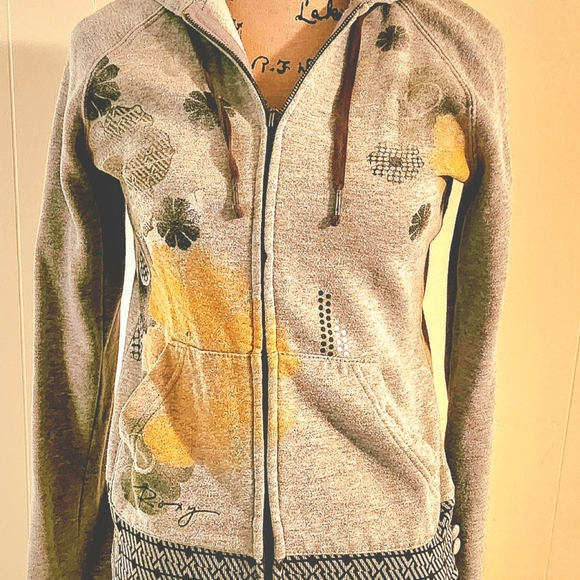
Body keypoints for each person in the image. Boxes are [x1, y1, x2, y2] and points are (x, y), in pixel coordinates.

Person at [27, 0, 512, 579]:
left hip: (389, 539)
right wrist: (56, 566)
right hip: (170, 543)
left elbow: (480, 333)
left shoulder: (451, 51)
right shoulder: (119, 47)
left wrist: (470, 560)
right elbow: (71, 322)